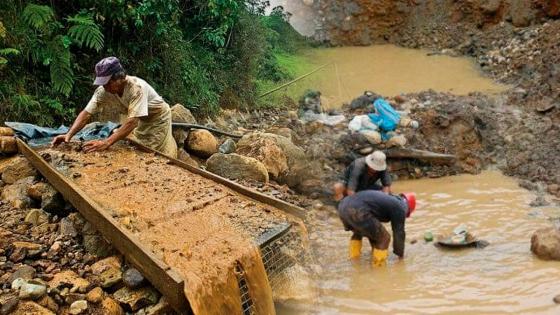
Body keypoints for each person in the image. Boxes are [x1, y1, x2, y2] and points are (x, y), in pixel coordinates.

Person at [51, 57, 177, 157]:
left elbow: (132, 122)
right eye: (102, 83)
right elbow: (86, 113)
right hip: (142, 119)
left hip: (157, 117)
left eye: (107, 83)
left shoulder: (136, 89)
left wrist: (106, 143)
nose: (105, 87)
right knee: (139, 147)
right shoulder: (103, 91)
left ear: (120, 78)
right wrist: (69, 135)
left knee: (154, 153)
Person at [337, 190, 416, 266]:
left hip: (342, 206)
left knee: (359, 232)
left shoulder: (388, 199)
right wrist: (400, 256)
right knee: (385, 238)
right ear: (408, 208)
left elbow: (372, 230)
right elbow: (399, 233)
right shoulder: (400, 207)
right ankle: (378, 268)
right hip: (358, 210)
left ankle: (354, 260)